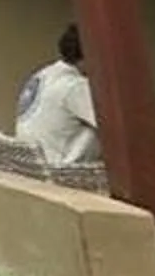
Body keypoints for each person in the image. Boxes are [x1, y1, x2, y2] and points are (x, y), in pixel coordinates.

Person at [13, 25, 100, 170]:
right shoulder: (75, 85)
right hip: (55, 166)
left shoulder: (43, 74)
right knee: (104, 128)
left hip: (30, 160)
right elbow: (113, 128)